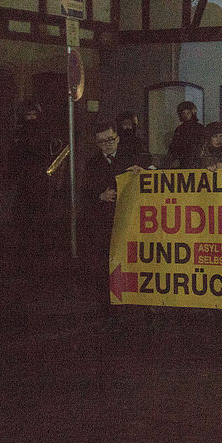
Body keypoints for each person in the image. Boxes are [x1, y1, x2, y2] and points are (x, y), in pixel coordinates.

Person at [81, 121, 146, 329]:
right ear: (97, 144)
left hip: (130, 221)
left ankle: (133, 306)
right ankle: (108, 309)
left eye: (110, 139)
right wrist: (100, 196)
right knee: (105, 265)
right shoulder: (92, 164)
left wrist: (142, 172)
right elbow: (85, 196)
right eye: (102, 142)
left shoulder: (132, 157)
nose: (107, 144)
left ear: (117, 138)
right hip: (104, 223)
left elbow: (152, 175)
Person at [10, 102, 51, 254]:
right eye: (29, 115)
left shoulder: (43, 133)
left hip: (39, 178)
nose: (32, 118)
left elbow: (46, 154)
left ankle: (39, 244)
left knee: (39, 213)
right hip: (24, 179)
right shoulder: (19, 134)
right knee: (23, 214)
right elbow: (14, 157)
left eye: (34, 115)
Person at [167, 101, 205, 169]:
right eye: (183, 113)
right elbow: (174, 149)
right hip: (183, 163)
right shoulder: (179, 129)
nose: (185, 115)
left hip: (198, 163)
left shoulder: (200, 128)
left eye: (188, 112)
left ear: (193, 112)